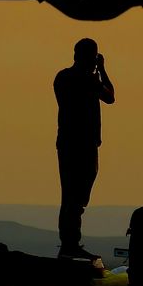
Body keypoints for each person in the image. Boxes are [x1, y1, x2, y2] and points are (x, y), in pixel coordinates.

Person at [53, 38, 115, 260]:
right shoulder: (88, 79)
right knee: (77, 196)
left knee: (69, 194)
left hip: (67, 142)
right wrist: (103, 70)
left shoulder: (62, 77)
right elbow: (110, 97)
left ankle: (68, 242)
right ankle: (70, 244)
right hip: (84, 145)